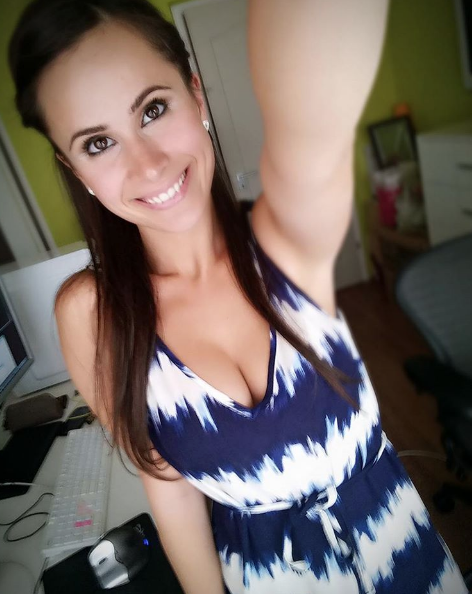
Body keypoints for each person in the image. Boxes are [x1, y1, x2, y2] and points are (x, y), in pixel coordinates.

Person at [8, 1, 467, 592]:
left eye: (153, 109)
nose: (149, 165)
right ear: (75, 169)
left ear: (196, 96)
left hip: (402, 547)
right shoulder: (93, 315)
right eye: (98, 143)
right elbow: (169, 484)